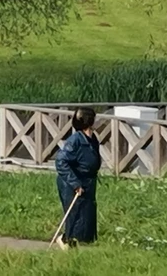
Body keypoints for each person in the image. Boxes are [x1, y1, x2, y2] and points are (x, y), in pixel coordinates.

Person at [53, 106, 101, 248]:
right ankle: (65, 240)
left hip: (88, 181)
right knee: (75, 213)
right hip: (73, 182)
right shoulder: (75, 140)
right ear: (89, 121)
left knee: (87, 214)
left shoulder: (93, 139)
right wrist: (75, 183)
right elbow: (61, 161)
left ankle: (79, 244)